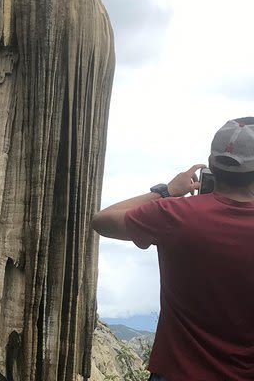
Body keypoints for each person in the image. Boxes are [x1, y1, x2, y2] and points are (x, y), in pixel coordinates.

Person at [92, 117, 254, 381]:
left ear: (211, 166)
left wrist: (167, 191)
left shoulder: (174, 215)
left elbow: (102, 221)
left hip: (176, 373)